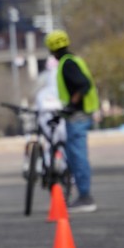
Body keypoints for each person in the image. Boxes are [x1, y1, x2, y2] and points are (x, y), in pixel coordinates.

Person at [44, 29, 98, 211]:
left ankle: (85, 197)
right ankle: (83, 194)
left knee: (77, 156)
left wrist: (71, 105)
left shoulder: (67, 64)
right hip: (79, 114)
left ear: (51, 49)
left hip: (78, 116)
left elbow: (83, 85)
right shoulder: (73, 60)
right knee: (74, 154)